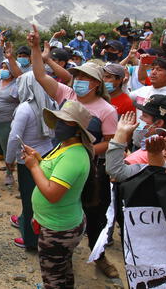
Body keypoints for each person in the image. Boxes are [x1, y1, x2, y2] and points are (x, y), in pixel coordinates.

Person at [29, 24, 119, 278]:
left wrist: (84, 149)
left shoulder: (106, 110)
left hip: (92, 169)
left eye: (86, 78)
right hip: (64, 160)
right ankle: (63, 249)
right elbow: (40, 75)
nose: (79, 81)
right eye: (77, 76)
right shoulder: (67, 94)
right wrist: (36, 48)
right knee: (67, 207)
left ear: (97, 84)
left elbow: (111, 142)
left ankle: (99, 255)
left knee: (95, 213)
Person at [23, 100, 94, 289]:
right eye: (59, 119)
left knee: (52, 276)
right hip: (56, 223)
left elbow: (52, 194)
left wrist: (33, 166)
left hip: (59, 229)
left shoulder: (74, 156)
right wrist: (39, 158)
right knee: (61, 268)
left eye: (66, 122)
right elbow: (52, 170)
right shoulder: (64, 145)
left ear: (78, 129)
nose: (59, 124)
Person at [6, 71, 56, 251]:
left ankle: (31, 239)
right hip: (47, 154)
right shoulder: (51, 103)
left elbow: (14, 137)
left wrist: (9, 159)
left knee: (29, 199)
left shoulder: (25, 108)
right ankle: (24, 221)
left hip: (27, 159)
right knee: (41, 197)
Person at [126, 94, 166, 164]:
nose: (140, 118)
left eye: (144, 116)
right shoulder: (151, 142)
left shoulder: (160, 150)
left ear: (159, 123)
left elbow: (118, 170)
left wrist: (120, 138)